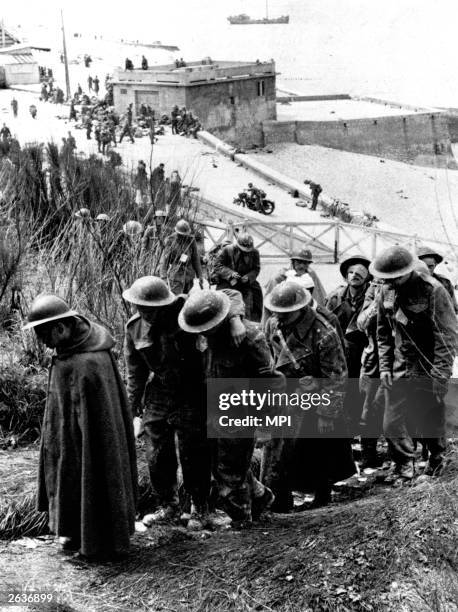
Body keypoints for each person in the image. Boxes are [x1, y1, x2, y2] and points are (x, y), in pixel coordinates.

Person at [124, 277, 246, 530]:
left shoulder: (186, 307)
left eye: (149, 309)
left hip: (193, 388)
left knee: (194, 449)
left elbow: (228, 295)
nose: (143, 313)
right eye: (139, 308)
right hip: (160, 390)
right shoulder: (134, 328)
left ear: (163, 304)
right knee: (155, 451)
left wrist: (235, 319)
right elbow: (134, 373)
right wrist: (130, 410)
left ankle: (199, 507)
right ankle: (166, 505)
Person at [23, 294, 138, 559]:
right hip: (70, 433)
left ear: (61, 328)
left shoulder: (87, 361)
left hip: (90, 435)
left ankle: (98, 541)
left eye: (45, 336)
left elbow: (96, 414)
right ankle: (75, 530)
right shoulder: (76, 347)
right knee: (72, 470)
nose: (45, 345)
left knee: (94, 469)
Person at [178, 290, 282, 526]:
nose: (204, 333)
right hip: (211, 407)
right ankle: (260, 496)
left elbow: (269, 381)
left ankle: (241, 521)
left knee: (229, 470)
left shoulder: (250, 336)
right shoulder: (201, 335)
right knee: (220, 465)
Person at [262, 281, 355, 511]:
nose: (279, 317)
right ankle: (279, 502)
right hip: (284, 395)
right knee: (277, 451)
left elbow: (336, 378)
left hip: (315, 399)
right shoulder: (274, 325)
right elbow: (268, 360)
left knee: (318, 449)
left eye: (285, 313)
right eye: (277, 311)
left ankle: (321, 497)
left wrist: (327, 415)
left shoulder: (324, 332)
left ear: (300, 309)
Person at [370, 246, 458, 480]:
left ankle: (437, 461)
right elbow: (382, 333)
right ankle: (404, 464)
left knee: (429, 417)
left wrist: (440, 375)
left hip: (427, 366)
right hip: (399, 366)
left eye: (396, 277)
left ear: (408, 271)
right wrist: (385, 367)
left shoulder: (433, 290)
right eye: (387, 278)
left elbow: (447, 336)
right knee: (391, 421)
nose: (391, 282)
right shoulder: (386, 292)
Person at [325, 255, 371, 430]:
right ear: (346, 276)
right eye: (351, 272)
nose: (354, 275)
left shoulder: (372, 296)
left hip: (365, 348)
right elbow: (326, 323)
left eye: (360, 273)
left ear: (368, 276)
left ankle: (359, 422)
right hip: (340, 348)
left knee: (361, 388)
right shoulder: (335, 297)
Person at [214, 233, 263, 321]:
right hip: (229, 281)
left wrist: (248, 277)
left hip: (247, 282)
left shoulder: (255, 252)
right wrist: (231, 273)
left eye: (248, 251)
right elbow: (217, 265)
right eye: (244, 251)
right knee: (220, 300)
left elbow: (256, 268)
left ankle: (253, 321)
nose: (246, 253)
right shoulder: (228, 250)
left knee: (257, 296)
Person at [160, 219, 204, 293]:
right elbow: (164, 261)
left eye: (185, 235)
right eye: (181, 235)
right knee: (177, 300)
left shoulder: (191, 240)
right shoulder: (170, 240)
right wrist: (163, 278)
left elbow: (195, 259)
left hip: (189, 276)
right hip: (176, 277)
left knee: (186, 299)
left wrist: (200, 275)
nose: (184, 236)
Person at [417, 246, 458, 313]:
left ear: (435, 265)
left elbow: (454, 309)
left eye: (430, 266)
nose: (427, 270)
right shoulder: (407, 282)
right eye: (423, 266)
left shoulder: (445, 282)